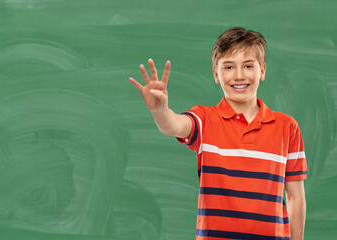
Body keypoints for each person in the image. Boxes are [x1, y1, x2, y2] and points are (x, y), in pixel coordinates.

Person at [129, 27, 307, 240]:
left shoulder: (287, 127)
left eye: (248, 65)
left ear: (262, 70)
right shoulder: (205, 120)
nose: (239, 75)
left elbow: (296, 197)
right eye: (229, 67)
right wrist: (160, 110)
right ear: (216, 74)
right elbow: (173, 125)